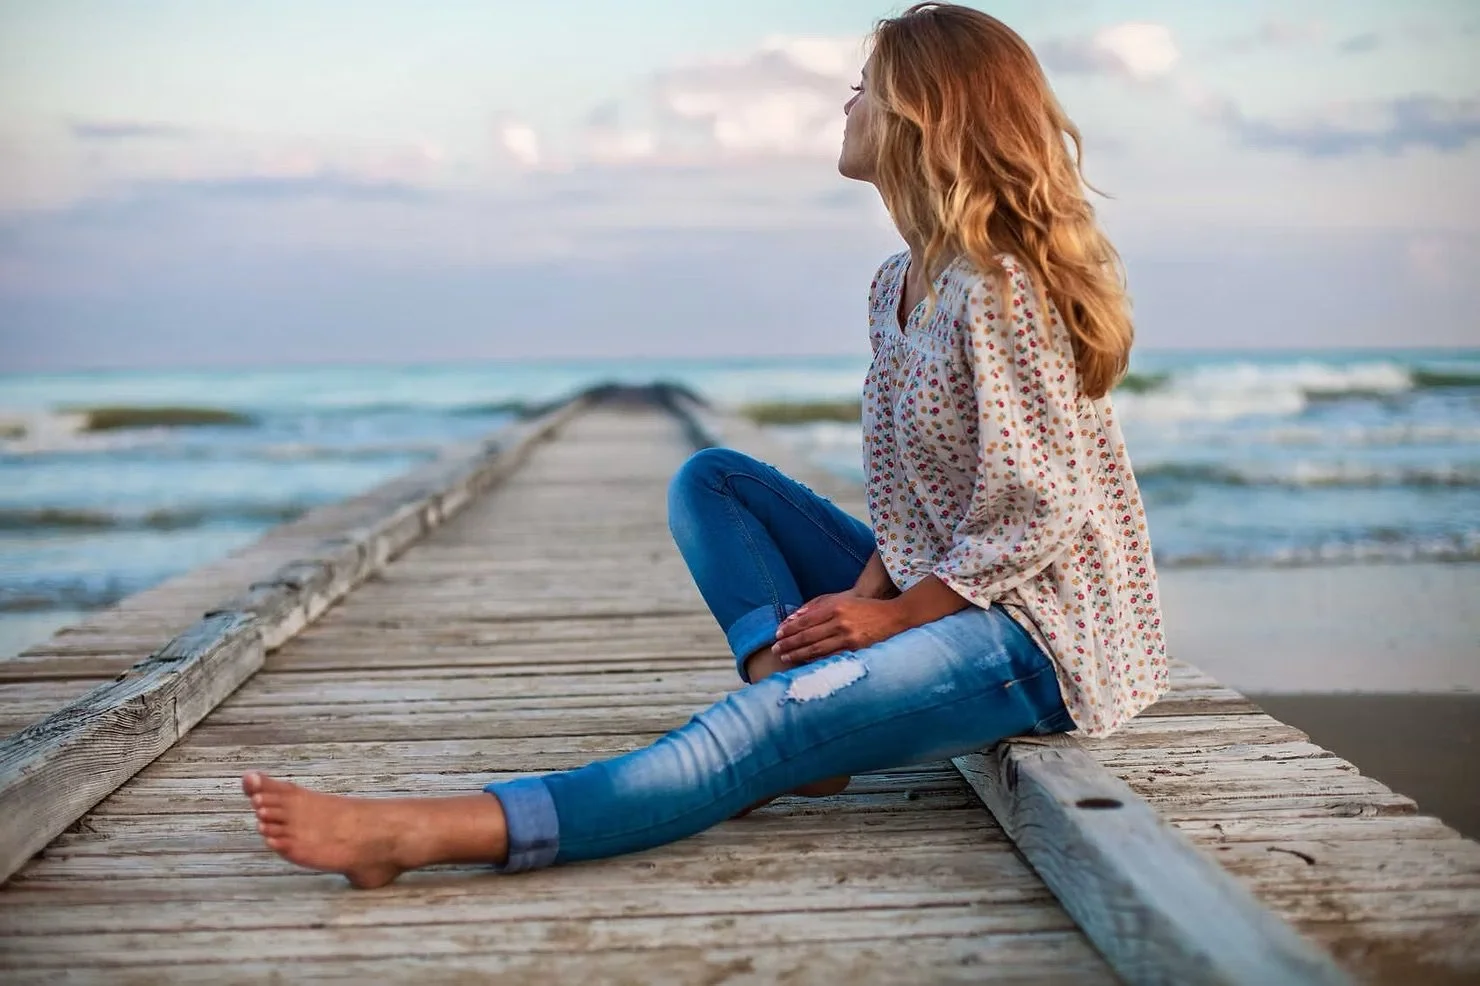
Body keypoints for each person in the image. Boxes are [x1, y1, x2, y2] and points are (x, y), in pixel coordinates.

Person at [242, 2, 1167, 889]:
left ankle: (419, 832)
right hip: (949, 580)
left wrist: (891, 618)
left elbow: (1039, 506)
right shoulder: (897, 282)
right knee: (714, 480)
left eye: (865, 86)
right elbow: (917, 495)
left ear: (922, 114)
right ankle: (784, 675)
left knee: (756, 732)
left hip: (1035, 634)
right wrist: (862, 596)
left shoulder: (1003, 287)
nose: (847, 105)